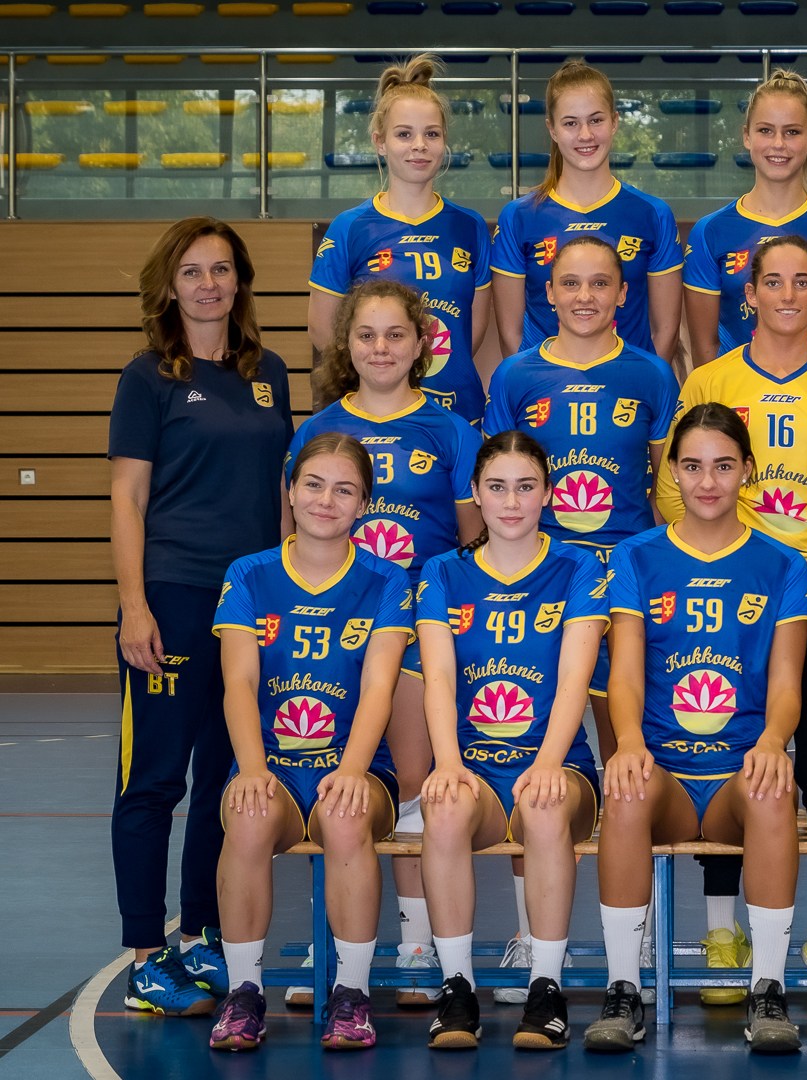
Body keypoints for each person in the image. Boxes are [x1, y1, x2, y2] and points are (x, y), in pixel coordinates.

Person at [657, 234, 807, 1001]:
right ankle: (723, 932)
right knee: (728, 749)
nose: (788, 294)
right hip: (730, 594)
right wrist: (708, 565)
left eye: (802, 281)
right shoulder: (711, 380)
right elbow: (675, 485)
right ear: (747, 294)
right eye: (772, 282)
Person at [483, 234, 682, 993]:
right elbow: (503, 481)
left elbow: (665, 489)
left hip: (626, 587)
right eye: (571, 283)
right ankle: (531, 930)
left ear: (624, 294)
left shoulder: (650, 373)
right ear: (548, 292)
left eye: (601, 283)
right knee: (530, 755)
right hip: (542, 588)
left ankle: (643, 928)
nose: (586, 296)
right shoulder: (516, 374)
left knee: (630, 753)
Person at [109, 216, 293, 1017]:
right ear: (170, 285)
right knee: (154, 781)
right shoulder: (147, 377)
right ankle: (145, 957)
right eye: (192, 271)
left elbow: (283, 490)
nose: (209, 284)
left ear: (240, 281)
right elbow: (127, 498)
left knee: (227, 779)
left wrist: (287, 593)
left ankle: (203, 936)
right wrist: (134, 604)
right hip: (175, 598)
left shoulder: (269, 372)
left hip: (250, 608)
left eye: (221, 269)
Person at [280, 279, 482, 1007]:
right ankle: (335, 937)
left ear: (421, 343)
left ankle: (417, 939)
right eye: (366, 335)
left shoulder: (451, 430)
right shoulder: (318, 428)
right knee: (334, 779)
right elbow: (290, 539)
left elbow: (471, 544)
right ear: (346, 344)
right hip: (336, 631)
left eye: (396, 334)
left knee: (415, 787)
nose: (381, 348)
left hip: (420, 631)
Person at [586, 403, 807, 1054]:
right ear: (672, 473)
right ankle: (623, 989)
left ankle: (768, 989)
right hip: (669, 779)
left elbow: (786, 683)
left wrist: (772, 741)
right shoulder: (636, 557)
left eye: (723, 465)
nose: (707, 481)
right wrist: (630, 742)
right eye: (691, 466)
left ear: (748, 470)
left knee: (773, 788)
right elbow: (626, 674)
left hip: (740, 774)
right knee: (625, 788)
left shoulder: (782, 563)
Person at [208, 432, 414, 1052]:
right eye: (315, 484)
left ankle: (351, 995)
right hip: (271, 764)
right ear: (292, 491)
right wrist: (251, 769)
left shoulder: (386, 580)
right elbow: (239, 682)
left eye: (345, 490)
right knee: (248, 817)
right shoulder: (249, 574)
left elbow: (379, 687)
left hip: (358, 764)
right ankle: (244, 993)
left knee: (346, 819)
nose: (327, 500)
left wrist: (351, 770)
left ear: (364, 505)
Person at [413, 431, 607, 1050]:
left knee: (545, 806)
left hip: (558, 764)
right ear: (475, 492)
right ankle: (457, 988)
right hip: (476, 768)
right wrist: (447, 763)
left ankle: (546, 988)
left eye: (526, 487)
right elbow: (439, 679)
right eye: (497, 487)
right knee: (444, 807)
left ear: (548, 494)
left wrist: (548, 762)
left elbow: (575, 679)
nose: (512, 501)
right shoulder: (443, 572)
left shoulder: (579, 568)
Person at [308, 54, 492, 426]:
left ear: (444, 141)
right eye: (404, 134)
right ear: (380, 142)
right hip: (375, 416)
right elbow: (323, 331)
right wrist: (381, 382)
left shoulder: (471, 226)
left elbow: (472, 335)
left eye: (432, 134)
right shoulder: (350, 227)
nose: (419, 145)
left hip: (456, 415)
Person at [491, 61, 683, 362]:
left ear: (614, 121)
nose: (585, 135)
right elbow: (511, 335)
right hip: (547, 389)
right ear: (552, 129)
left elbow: (666, 330)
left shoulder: (653, 214)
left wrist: (642, 382)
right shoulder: (519, 217)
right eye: (570, 123)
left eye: (596, 120)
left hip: (629, 387)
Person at [684, 69, 807, 366]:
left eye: (792, 132)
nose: (779, 144)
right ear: (747, 136)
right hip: (737, 394)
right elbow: (705, 347)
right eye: (765, 130)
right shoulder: (710, 232)